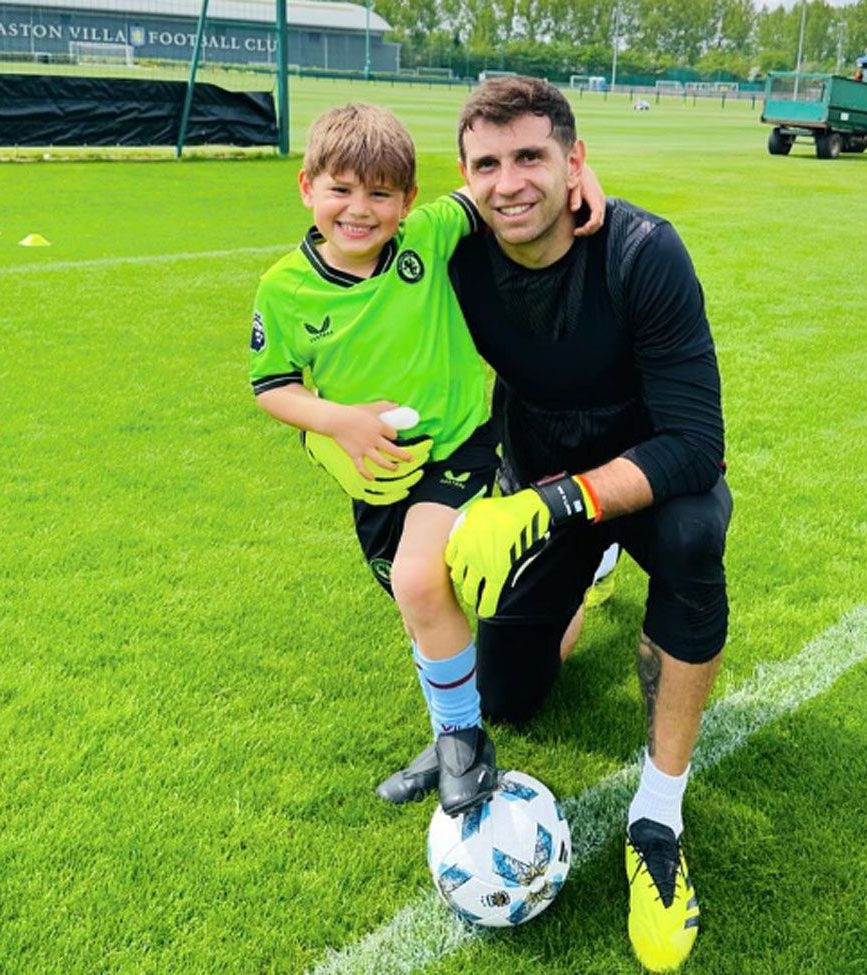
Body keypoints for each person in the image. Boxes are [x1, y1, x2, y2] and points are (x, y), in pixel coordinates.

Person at [445, 77, 732, 972]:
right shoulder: (457, 254)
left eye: (531, 156)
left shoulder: (643, 252)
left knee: (691, 542)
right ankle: (576, 582)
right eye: (486, 165)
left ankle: (659, 814)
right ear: (463, 181)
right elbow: (353, 238)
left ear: (576, 165)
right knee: (506, 698)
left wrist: (559, 503)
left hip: (648, 477)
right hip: (539, 471)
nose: (509, 182)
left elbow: (695, 442)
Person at [248, 103, 603, 815]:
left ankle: (463, 744)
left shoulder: (428, 236)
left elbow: (499, 187)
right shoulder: (284, 289)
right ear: (306, 186)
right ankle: (461, 725)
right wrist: (338, 421)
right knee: (422, 605)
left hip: (461, 448)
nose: (359, 209)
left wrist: (585, 173)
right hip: (381, 473)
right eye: (341, 189)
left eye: (381, 193)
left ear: (407, 201)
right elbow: (273, 388)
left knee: (420, 580)